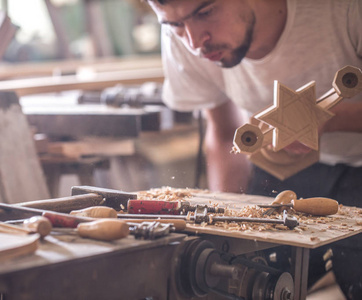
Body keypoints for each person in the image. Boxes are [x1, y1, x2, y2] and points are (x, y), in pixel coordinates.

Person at [144, 0, 362, 298]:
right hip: (282, 172)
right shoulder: (185, 35)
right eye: (174, 25)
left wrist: (324, 121)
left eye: (206, 12)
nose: (195, 43)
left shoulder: (345, 10)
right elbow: (223, 134)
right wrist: (225, 223)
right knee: (242, 280)